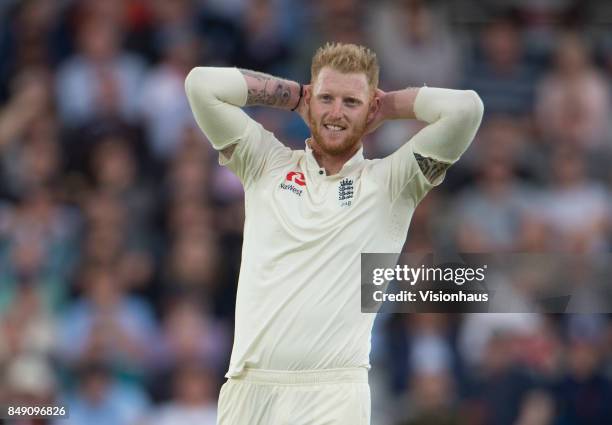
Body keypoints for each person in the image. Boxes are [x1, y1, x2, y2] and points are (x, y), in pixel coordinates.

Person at [185, 42, 483, 425]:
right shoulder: (264, 162)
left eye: (351, 102)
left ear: (370, 108)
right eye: (326, 98)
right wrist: (294, 97)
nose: (336, 113)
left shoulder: (391, 184)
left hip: (333, 394)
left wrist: (388, 106)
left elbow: (466, 109)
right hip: (248, 387)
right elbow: (201, 85)